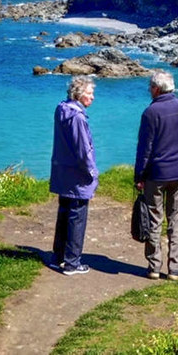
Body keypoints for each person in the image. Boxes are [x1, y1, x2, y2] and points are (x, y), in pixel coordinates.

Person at [135, 70, 178, 280]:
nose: (149, 91)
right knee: (176, 219)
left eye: (150, 88)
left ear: (156, 89)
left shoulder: (150, 112)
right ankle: (175, 267)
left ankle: (154, 267)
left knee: (154, 219)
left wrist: (139, 176)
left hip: (156, 173)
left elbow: (144, 149)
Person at [49, 75, 99, 275]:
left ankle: (58, 257)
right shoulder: (77, 117)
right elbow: (83, 150)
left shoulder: (62, 109)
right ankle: (72, 262)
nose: (92, 97)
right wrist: (92, 171)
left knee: (64, 214)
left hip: (62, 170)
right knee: (77, 216)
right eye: (89, 93)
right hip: (77, 175)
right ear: (78, 95)